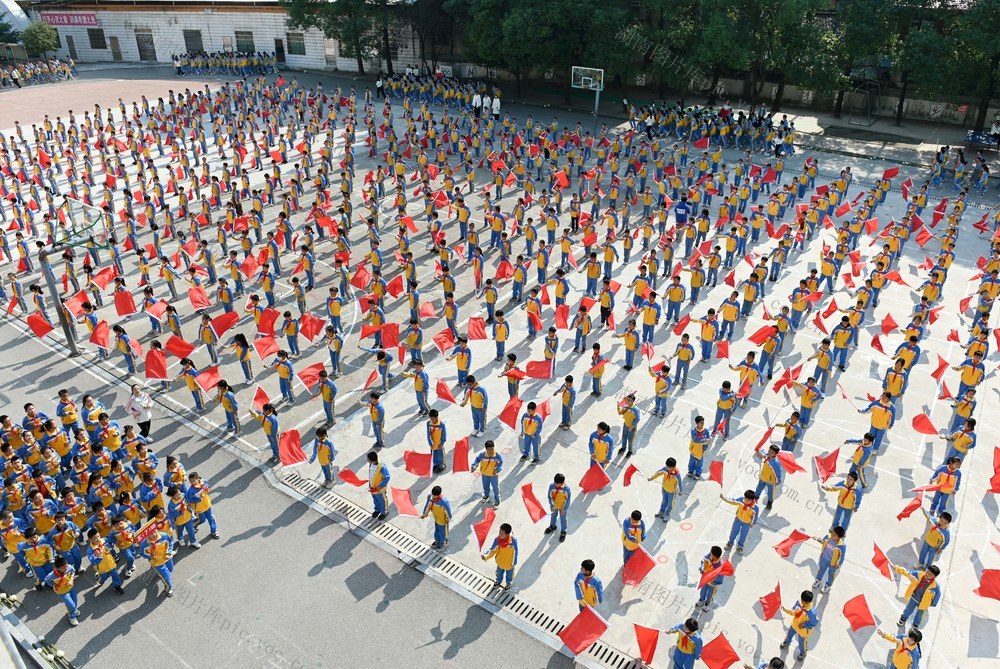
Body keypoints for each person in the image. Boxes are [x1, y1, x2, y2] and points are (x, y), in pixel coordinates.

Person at [895, 564, 941, 632]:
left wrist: (933, 603)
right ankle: (903, 618)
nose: (927, 574)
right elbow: (908, 572)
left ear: (935, 576)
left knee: (920, 615)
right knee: (908, 609)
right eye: (927, 571)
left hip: (923, 603)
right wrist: (898, 569)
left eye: (930, 574)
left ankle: (915, 624)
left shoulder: (935, 586)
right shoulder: (919, 574)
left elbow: (938, 594)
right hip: (914, 597)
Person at [780, 590, 817, 661]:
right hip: (795, 625)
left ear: (809, 602)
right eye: (802, 600)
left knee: (802, 644)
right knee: (789, 635)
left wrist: (804, 625)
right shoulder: (799, 603)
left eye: (805, 602)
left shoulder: (811, 612)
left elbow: (814, 623)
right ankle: (786, 642)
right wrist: (786, 610)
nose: (803, 603)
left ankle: (803, 653)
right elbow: (794, 611)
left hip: (803, 631)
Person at [44, 556, 81, 625]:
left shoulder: (69, 568)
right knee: (71, 605)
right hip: (62, 592)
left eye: (66, 566)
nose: (66, 569)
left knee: (75, 601)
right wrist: (55, 586)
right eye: (63, 568)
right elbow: (47, 581)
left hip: (71, 588)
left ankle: (73, 610)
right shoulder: (51, 576)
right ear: (57, 568)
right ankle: (72, 616)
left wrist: (71, 579)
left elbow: (73, 571)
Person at [482, 522, 518, 590]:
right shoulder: (497, 540)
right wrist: (485, 556)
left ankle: (508, 584)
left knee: (509, 576)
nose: (499, 535)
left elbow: (515, 553)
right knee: (499, 573)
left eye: (502, 534)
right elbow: (492, 549)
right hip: (500, 562)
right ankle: (498, 581)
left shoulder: (513, 541)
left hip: (509, 564)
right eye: (499, 532)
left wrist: (513, 563)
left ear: (507, 534)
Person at [812, 526, 846, 593]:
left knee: (831, 574)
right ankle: (818, 580)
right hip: (824, 558)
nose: (832, 536)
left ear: (839, 537)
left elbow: (842, 556)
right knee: (821, 570)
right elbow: (823, 541)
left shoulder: (841, 546)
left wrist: (838, 564)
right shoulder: (828, 536)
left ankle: (828, 585)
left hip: (833, 563)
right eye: (832, 533)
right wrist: (818, 539)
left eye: (834, 535)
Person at [472, 440, 503, 507]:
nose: (491, 451)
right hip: (485, 473)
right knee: (485, 486)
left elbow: (500, 463)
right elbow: (477, 460)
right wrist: (474, 466)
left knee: (495, 488)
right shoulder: (482, 455)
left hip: (493, 475)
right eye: (489, 449)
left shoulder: (497, 455)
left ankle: (497, 500)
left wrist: (497, 470)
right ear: (486, 449)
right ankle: (486, 495)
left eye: (492, 449)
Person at [421, 485, 452, 550]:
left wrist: (448, 519)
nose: (434, 497)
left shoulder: (444, 502)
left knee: (443, 532)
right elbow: (427, 506)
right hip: (436, 518)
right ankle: (437, 540)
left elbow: (448, 511)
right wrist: (424, 514)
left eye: (435, 496)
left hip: (443, 520)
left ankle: (444, 543)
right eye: (433, 495)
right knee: (437, 530)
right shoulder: (430, 497)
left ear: (439, 494)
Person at [367, 451, 390, 520]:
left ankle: (384, 512)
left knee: (382, 500)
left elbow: (387, 477)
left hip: (379, 489)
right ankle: (377, 510)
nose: (367, 460)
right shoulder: (371, 464)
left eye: (368, 459)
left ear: (371, 460)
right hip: (373, 488)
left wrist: (380, 486)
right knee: (375, 499)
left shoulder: (382, 468)